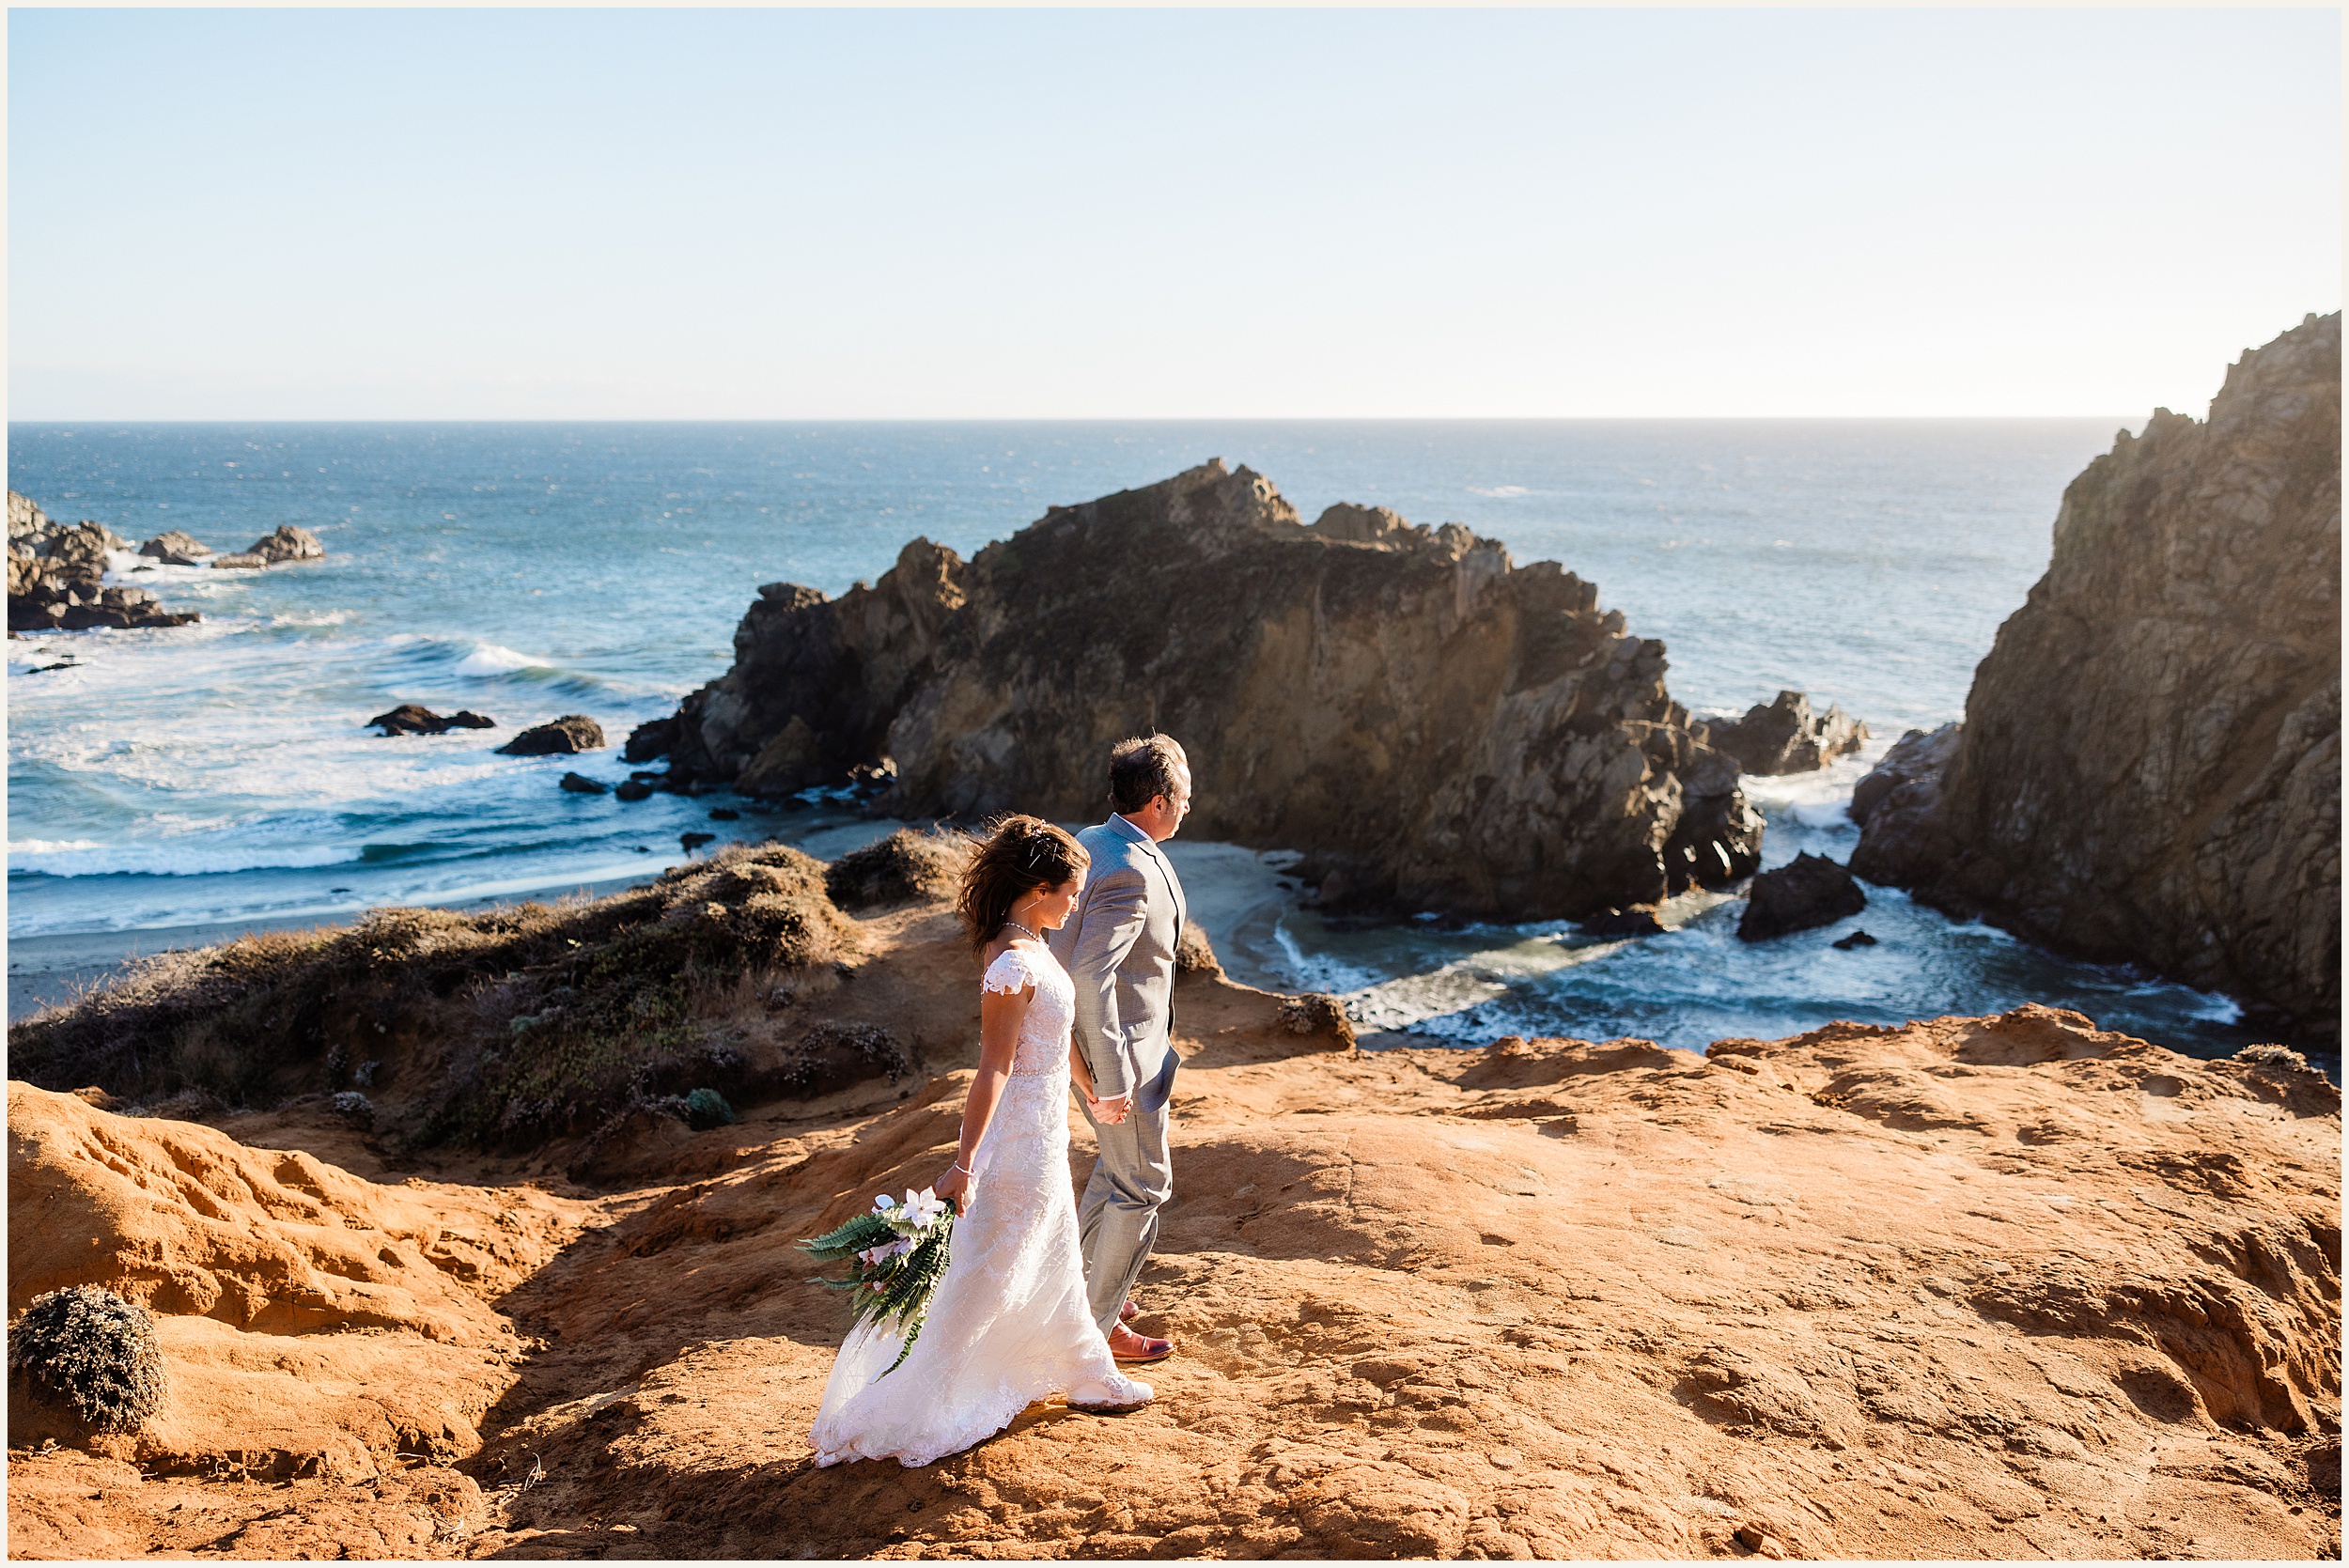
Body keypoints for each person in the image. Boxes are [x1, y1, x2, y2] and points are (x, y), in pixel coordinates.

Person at [808, 815, 1153, 1467]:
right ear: (1038, 890)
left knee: (1048, 1249)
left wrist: (1094, 1095)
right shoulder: (1011, 965)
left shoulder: (1028, 944)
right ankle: (923, 1401)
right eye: (1070, 891)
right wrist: (964, 1163)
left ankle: (1086, 1367)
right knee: (988, 1272)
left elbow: (1055, 1038)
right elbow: (995, 1066)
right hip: (1018, 1139)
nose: (1076, 902)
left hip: (1048, 1131)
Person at [1048, 734, 1190, 1364]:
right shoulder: (1130, 869)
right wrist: (1106, 1078)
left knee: (1114, 1174)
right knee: (1142, 1187)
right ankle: (1093, 1328)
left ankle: (1079, 1293)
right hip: (1121, 1062)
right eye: (1184, 795)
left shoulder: (1097, 839)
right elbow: (1088, 974)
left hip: (1119, 1050)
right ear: (1158, 801)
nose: (1191, 804)